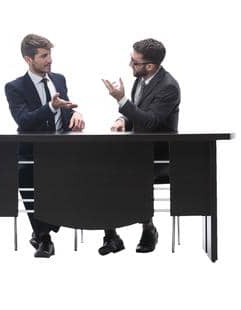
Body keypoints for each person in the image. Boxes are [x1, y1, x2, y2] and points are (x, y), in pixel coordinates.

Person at [2, 33, 83, 258]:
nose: (49, 60)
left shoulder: (59, 79)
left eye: (50, 55)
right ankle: (44, 237)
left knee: (90, 168)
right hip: (33, 153)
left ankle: (107, 231)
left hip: (62, 152)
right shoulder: (15, 87)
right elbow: (24, 121)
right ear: (29, 59)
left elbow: (65, 109)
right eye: (44, 56)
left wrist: (75, 113)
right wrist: (50, 106)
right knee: (25, 176)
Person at [97, 38, 179, 255]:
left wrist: (121, 100)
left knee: (135, 173)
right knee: (99, 168)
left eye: (134, 62)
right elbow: (138, 115)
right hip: (136, 150)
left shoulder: (169, 87)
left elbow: (151, 121)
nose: (130, 65)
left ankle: (148, 229)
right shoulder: (141, 79)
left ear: (150, 66)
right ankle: (111, 236)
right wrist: (122, 120)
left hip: (158, 156)